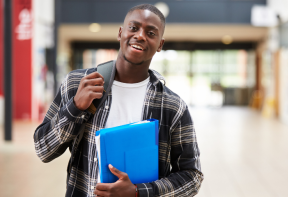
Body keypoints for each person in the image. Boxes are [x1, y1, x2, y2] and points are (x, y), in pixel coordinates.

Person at [34, 4, 203, 197]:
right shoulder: (78, 84)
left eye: (150, 32)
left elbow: (192, 177)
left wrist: (138, 192)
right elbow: (43, 150)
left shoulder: (173, 106)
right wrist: (75, 108)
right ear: (120, 33)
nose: (140, 35)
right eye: (134, 28)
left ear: (160, 45)